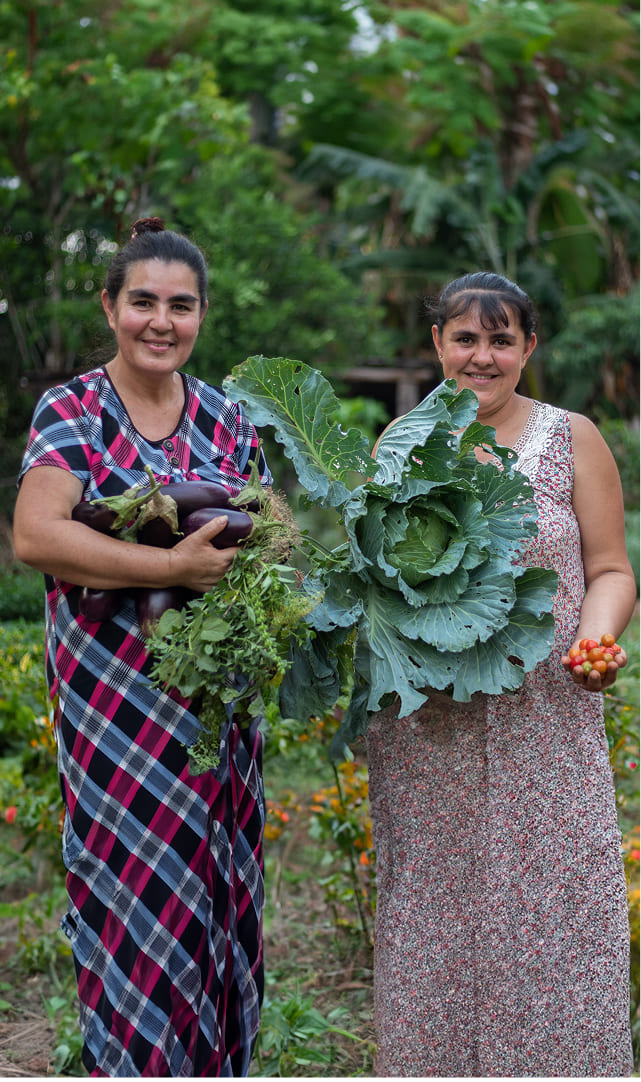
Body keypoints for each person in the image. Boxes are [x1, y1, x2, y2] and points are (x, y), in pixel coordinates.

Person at [13, 218, 272, 1077]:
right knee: (137, 900)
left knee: (219, 892)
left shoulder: (229, 416)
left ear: (201, 314)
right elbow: (36, 536)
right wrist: (166, 564)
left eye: (180, 305)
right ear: (110, 306)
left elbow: (264, 531)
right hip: (114, 710)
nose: (161, 321)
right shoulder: (74, 409)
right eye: (143, 302)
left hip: (217, 707)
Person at [366, 271, 637, 1076]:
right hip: (428, 729)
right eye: (464, 338)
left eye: (499, 339)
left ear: (527, 348)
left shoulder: (571, 437)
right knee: (432, 924)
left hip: (547, 715)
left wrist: (595, 640)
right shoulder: (399, 444)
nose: (480, 357)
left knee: (552, 918)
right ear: (436, 345)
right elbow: (373, 580)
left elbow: (611, 569)